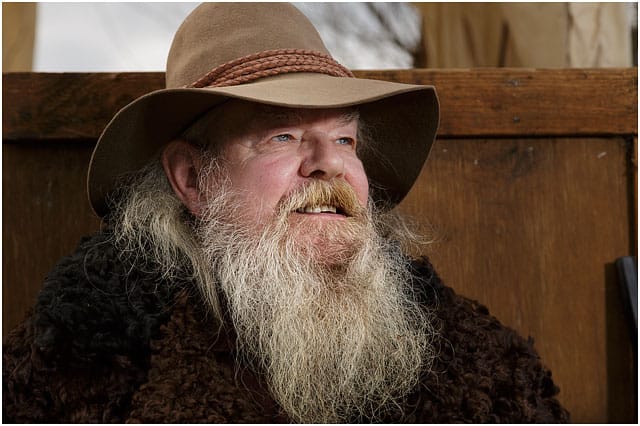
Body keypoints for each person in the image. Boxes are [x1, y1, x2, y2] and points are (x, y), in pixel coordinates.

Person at [3, 3, 569, 423]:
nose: (328, 164)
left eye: (346, 139)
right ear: (192, 179)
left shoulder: (473, 360)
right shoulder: (86, 363)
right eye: (282, 135)